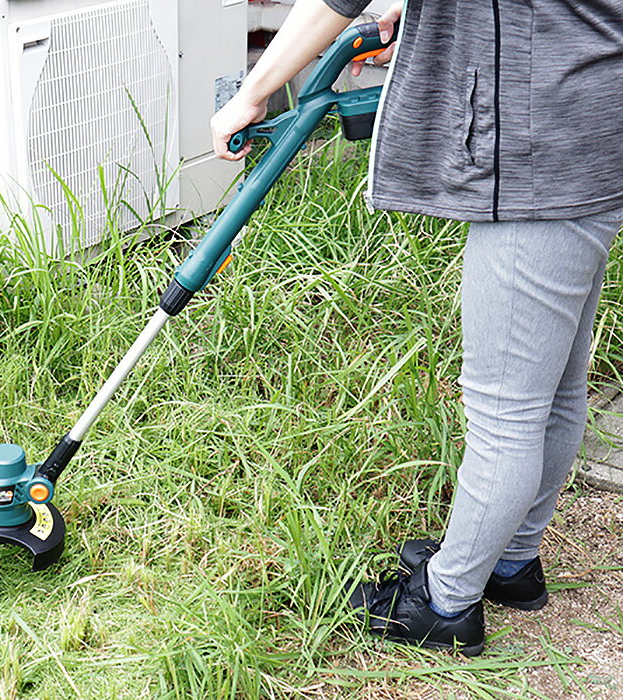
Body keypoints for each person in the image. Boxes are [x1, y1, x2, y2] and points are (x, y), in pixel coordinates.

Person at [211, 0, 623, 656]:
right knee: (553, 384)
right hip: (593, 121)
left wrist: (252, 92)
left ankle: (444, 602)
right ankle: (510, 564)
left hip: (534, 146)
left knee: (506, 411)